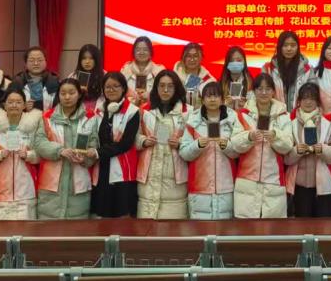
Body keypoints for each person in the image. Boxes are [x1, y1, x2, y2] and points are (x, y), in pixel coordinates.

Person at [33, 78, 99, 220]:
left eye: (71, 93)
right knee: (49, 228)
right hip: (51, 182)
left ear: (79, 94)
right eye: (63, 93)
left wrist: (86, 158)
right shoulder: (47, 117)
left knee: (76, 228)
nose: (67, 97)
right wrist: (60, 151)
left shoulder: (90, 117)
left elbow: (94, 144)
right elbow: (39, 142)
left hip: (78, 182)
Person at [231, 75, 296, 218]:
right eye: (260, 89)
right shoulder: (243, 114)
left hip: (273, 179)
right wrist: (249, 137)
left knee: (272, 228)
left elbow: (288, 146)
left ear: (273, 91)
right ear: (254, 91)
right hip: (247, 179)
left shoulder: (283, 115)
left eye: (268, 89)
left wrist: (275, 136)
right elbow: (235, 144)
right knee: (246, 227)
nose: (264, 92)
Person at [0, 86, 42, 219]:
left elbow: (41, 155)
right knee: (0, 231)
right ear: (4, 105)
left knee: (26, 231)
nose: (14, 105)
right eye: (10, 102)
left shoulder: (33, 128)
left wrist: (29, 155)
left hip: (26, 192)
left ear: (24, 105)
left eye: (18, 102)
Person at [180, 80, 239, 219]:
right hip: (199, 186)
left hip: (226, 186)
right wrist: (197, 145)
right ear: (202, 100)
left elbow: (239, 151)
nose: (212, 99)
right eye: (208, 96)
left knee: (224, 230)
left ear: (222, 99)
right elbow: (184, 153)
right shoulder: (192, 121)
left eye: (216, 96)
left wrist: (226, 146)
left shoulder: (233, 120)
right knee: (199, 229)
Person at [136, 70, 189, 219]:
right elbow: (132, 137)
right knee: (146, 228)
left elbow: (194, 141)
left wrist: (180, 143)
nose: (166, 90)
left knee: (173, 229)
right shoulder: (144, 110)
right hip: (149, 177)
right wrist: (143, 141)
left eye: (170, 86)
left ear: (177, 88)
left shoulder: (188, 112)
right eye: (162, 86)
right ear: (156, 87)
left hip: (175, 178)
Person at [285, 82, 331, 217]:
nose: (308, 102)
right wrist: (297, 151)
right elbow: (284, 157)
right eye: (304, 98)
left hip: (324, 184)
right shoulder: (289, 122)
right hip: (299, 185)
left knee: (324, 224)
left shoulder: (328, 123)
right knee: (302, 224)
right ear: (299, 101)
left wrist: (323, 150)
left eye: (312, 98)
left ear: (318, 101)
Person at [92, 72, 140, 218]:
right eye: (107, 87)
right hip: (102, 168)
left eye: (115, 86)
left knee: (122, 216)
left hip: (123, 169)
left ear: (124, 88)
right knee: (102, 215)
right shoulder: (99, 111)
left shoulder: (132, 111)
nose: (111, 90)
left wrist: (97, 152)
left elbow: (126, 143)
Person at [262, 30, 314, 110]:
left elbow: (312, 95)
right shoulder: (268, 69)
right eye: (285, 45)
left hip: (300, 114)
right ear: (279, 47)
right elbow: (263, 93)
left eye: (293, 45)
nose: (289, 49)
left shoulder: (308, 70)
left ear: (298, 47)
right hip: (275, 114)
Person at [12, 47, 59, 112]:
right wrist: (23, 107)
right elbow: (6, 104)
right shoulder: (17, 82)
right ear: (25, 63)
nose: (36, 63)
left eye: (40, 60)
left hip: (50, 117)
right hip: (24, 117)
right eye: (31, 60)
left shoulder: (55, 81)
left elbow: (60, 106)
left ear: (46, 61)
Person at [121, 36, 164, 105]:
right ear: (133, 52)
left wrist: (151, 96)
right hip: (129, 109)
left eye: (145, 49)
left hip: (153, 108)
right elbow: (119, 92)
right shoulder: (125, 70)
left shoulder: (159, 71)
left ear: (150, 52)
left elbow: (165, 93)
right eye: (138, 49)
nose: (141, 52)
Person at [220, 45, 254, 112]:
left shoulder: (251, 83)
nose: (235, 63)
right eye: (232, 60)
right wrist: (225, 105)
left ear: (244, 62)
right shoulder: (220, 84)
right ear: (227, 63)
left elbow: (255, 108)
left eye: (239, 60)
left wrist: (246, 106)